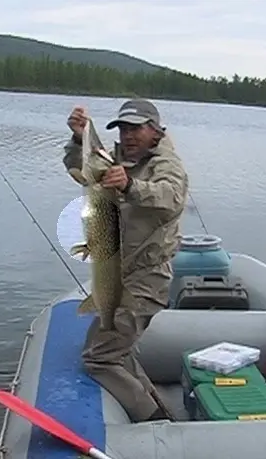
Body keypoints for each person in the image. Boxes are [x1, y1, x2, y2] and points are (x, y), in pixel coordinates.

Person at [62, 98, 189, 422]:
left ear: (155, 131)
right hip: (121, 270)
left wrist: (131, 185)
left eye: (136, 128)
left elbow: (170, 198)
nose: (128, 136)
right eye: (123, 129)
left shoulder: (166, 163)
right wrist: (80, 136)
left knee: (99, 357)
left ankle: (152, 421)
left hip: (148, 277)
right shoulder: (120, 158)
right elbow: (88, 166)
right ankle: (161, 411)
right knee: (114, 348)